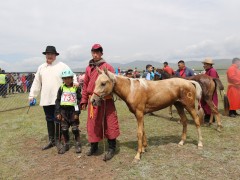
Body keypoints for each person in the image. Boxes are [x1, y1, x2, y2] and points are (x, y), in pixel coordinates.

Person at [29, 46, 78, 150]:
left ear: (55, 55)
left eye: (51, 54)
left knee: (58, 119)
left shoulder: (62, 65)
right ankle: (51, 140)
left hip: (59, 99)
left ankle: (58, 140)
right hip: (46, 98)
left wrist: (75, 83)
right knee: (49, 119)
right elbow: (36, 82)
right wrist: (32, 95)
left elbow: (72, 75)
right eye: (47, 54)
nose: (49, 56)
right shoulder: (41, 67)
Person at [80, 44, 120, 161]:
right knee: (93, 124)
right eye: (93, 52)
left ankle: (112, 147)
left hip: (106, 101)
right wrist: (83, 100)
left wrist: (107, 94)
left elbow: (114, 84)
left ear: (101, 53)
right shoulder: (89, 68)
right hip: (93, 100)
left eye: (97, 52)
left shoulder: (108, 67)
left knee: (110, 123)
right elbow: (86, 85)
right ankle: (94, 146)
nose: (95, 54)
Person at [55, 69, 82, 154]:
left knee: (74, 129)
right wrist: (58, 112)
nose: (67, 80)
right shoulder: (61, 88)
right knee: (64, 129)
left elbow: (78, 100)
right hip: (63, 111)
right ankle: (66, 144)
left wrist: (77, 113)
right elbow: (58, 100)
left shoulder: (76, 88)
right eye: (65, 79)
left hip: (73, 111)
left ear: (72, 79)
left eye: (69, 78)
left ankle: (77, 144)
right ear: (63, 79)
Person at [201, 58, 219, 122]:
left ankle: (211, 118)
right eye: (204, 64)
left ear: (209, 65)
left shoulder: (212, 71)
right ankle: (207, 116)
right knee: (204, 103)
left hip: (210, 91)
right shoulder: (207, 70)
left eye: (205, 64)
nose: (204, 65)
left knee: (210, 104)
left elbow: (212, 80)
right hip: (206, 90)